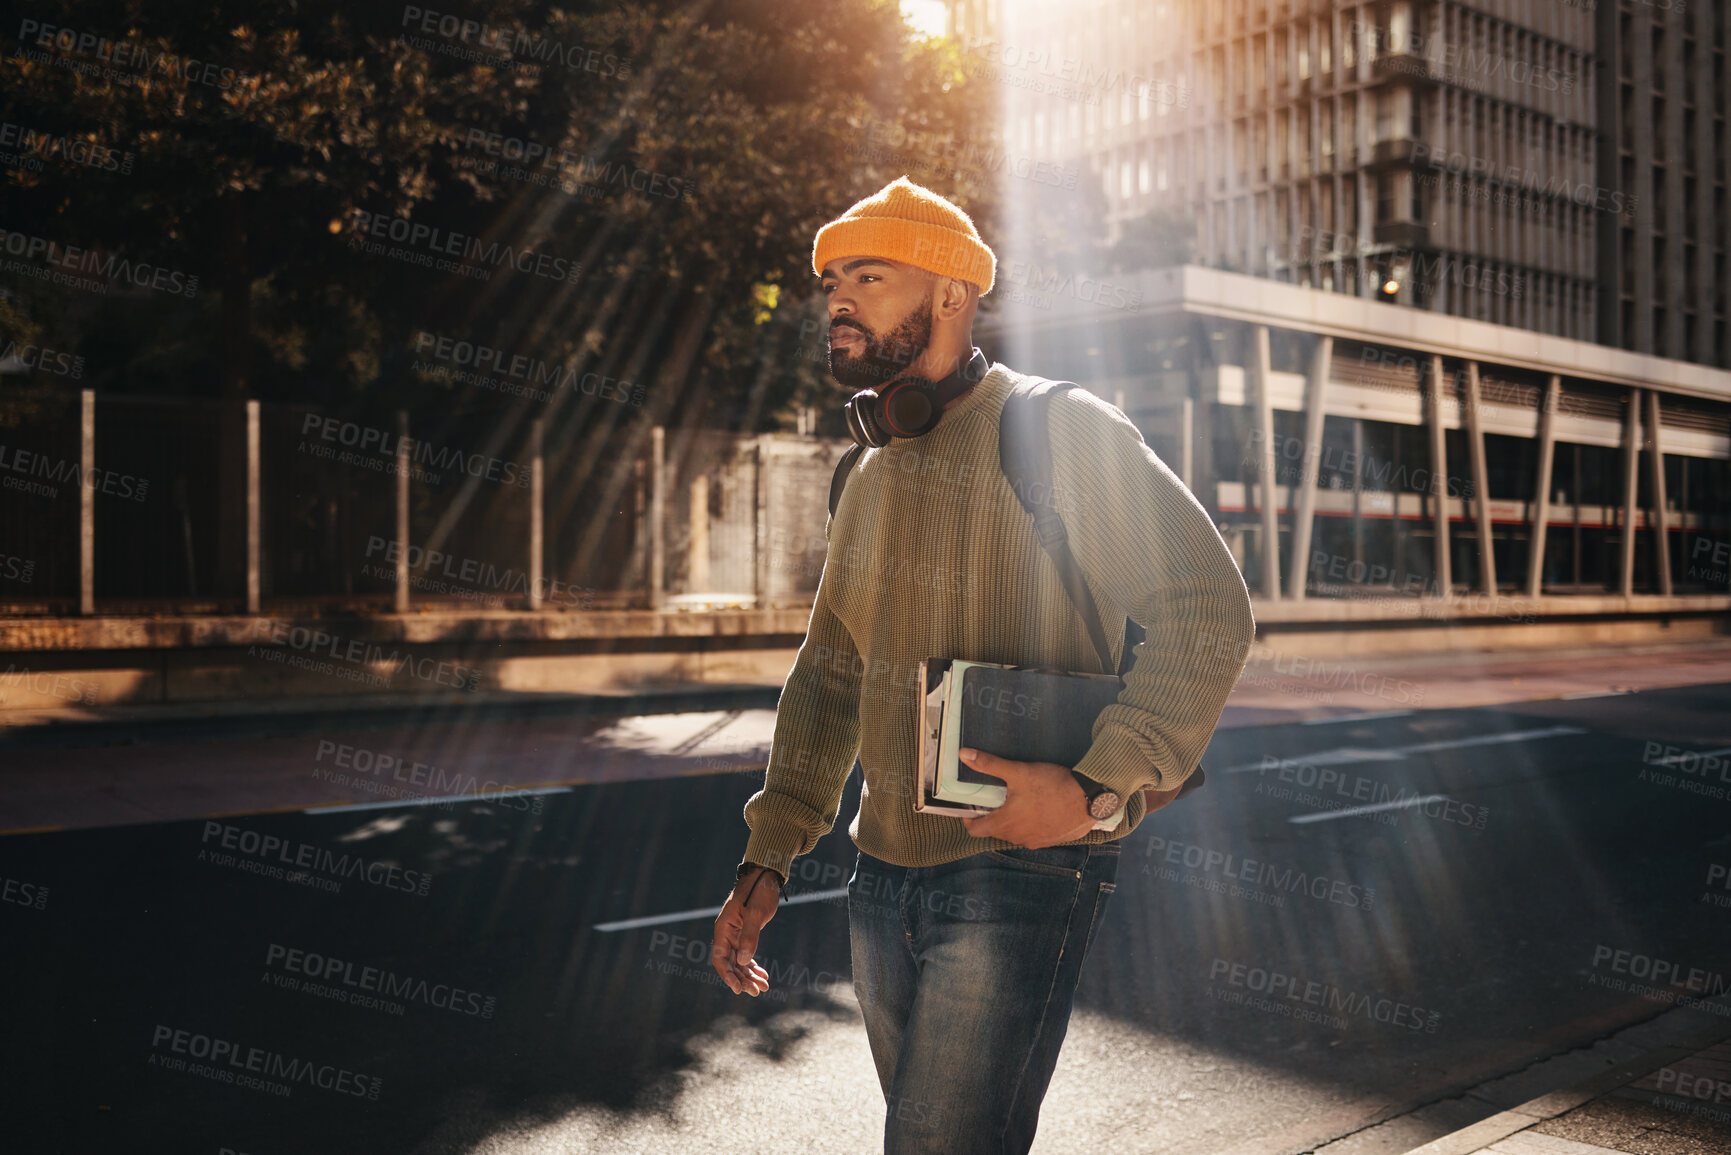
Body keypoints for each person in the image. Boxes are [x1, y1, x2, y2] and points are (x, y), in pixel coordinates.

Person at [711, 177, 1254, 1154]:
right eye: (832, 279)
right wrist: (772, 850)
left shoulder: (1057, 429)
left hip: (1020, 873)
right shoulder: (864, 471)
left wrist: (1095, 789)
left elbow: (1205, 609)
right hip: (879, 879)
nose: (837, 299)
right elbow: (832, 670)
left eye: (868, 277)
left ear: (953, 295)